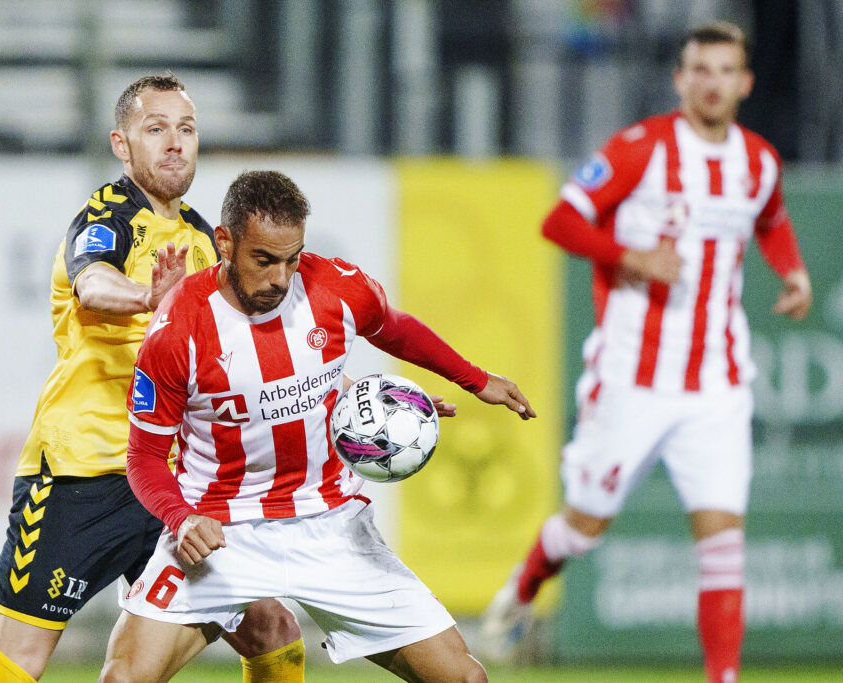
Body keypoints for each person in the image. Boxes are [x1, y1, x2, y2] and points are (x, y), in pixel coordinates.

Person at [0, 75, 304, 683]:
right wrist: (151, 297)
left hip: (169, 486)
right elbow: (93, 284)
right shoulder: (105, 217)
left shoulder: (203, 238)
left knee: (270, 629)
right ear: (122, 144)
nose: (175, 143)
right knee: (11, 664)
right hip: (81, 473)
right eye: (156, 129)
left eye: (186, 129)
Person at [93, 169, 537, 683]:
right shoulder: (177, 329)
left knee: (466, 679)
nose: (280, 278)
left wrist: (475, 379)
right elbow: (143, 459)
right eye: (263, 260)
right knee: (122, 679)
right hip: (221, 530)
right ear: (225, 243)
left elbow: (393, 328)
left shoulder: (335, 287)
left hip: (331, 528)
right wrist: (182, 518)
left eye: (291, 259)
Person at [477, 21, 812, 683]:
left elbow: (770, 218)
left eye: (725, 71)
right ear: (679, 78)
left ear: (744, 83)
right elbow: (561, 218)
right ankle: (523, 584)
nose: (712, 82)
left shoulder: (760, 161)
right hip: (632, 375)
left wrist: (793, 271)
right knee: (583, 529)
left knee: (723, 542)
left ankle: (724, 676)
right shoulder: (641, 150)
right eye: (700, 69)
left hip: (717, 382)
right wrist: (630, 255)